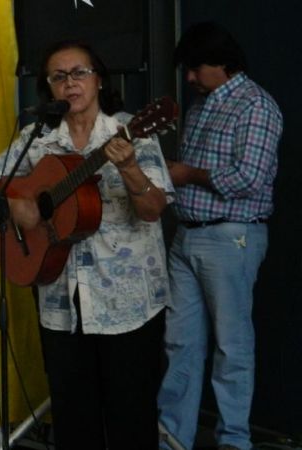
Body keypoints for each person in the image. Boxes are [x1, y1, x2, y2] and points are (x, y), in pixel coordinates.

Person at [0, 40, 174, 449]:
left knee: (131, 421)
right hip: (61, 305)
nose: (70, 84)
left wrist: (130, 168)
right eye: (59, 77)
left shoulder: (131, 132)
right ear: (49, 87)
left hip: (127, 306)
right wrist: (17, 208)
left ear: (98, 80)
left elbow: (153, 208)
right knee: (75, 425)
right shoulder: (38, 140)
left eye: (79, 73)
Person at [157, 22, 283, 450]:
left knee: (231, 347)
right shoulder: (200, 104)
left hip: (231, 240)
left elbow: (249, 178)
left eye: (196, 68)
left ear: (223, 63)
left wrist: (186, 173)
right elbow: (193, 173)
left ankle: (234, 441)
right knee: (180, 344)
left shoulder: (256, 106)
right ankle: (174, 437)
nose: (190, 78)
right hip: (186, 237)